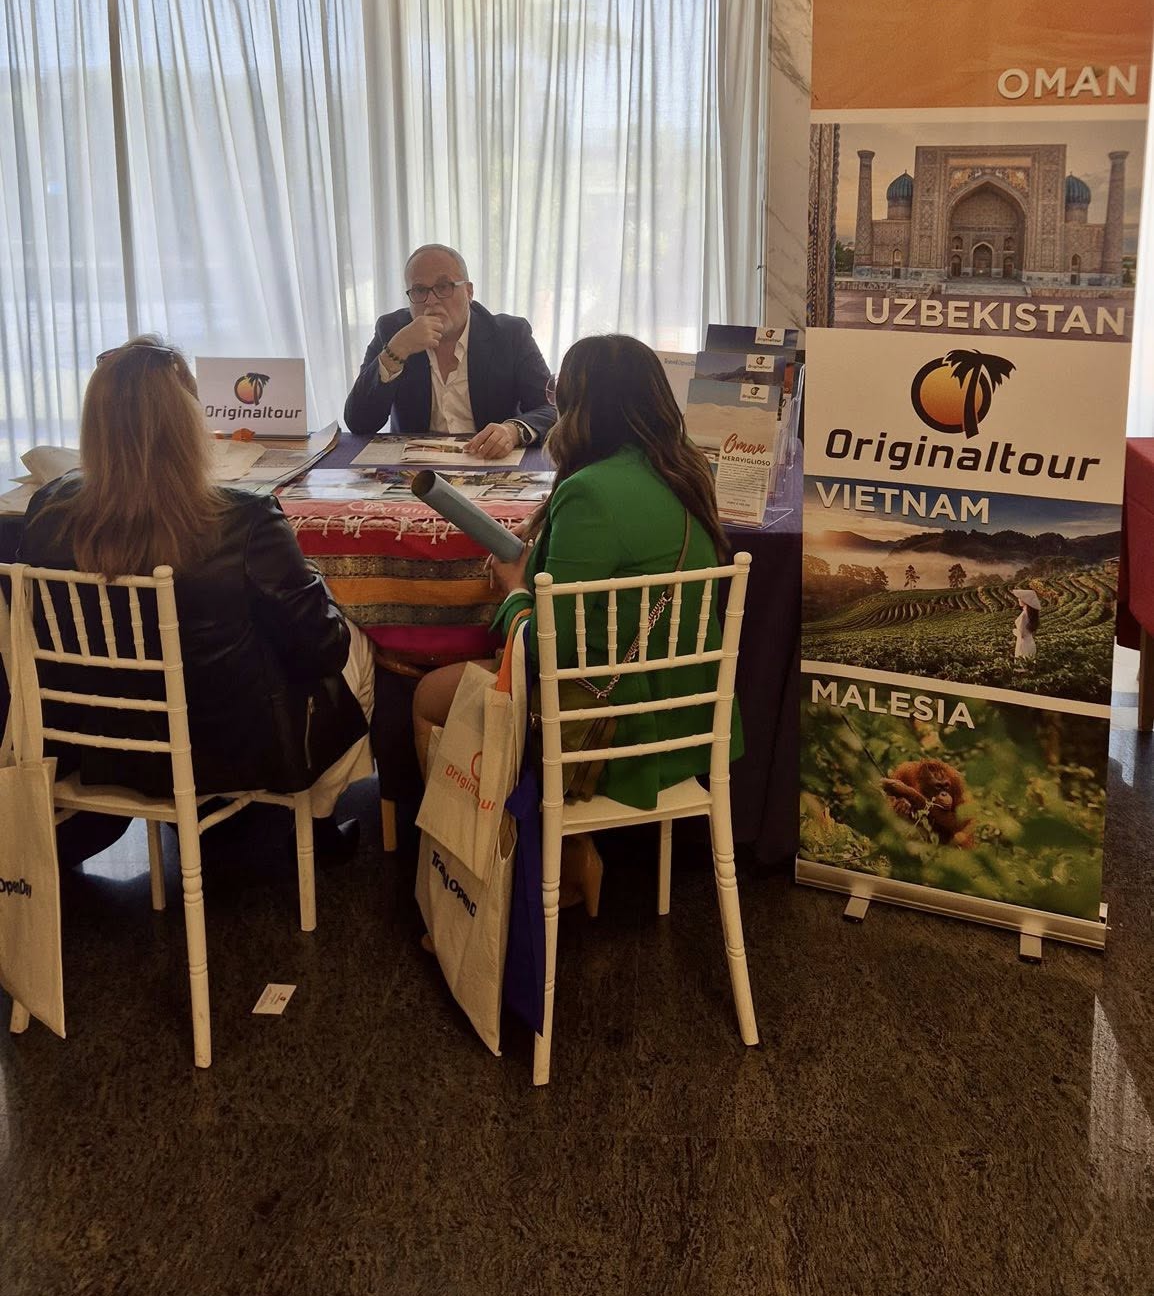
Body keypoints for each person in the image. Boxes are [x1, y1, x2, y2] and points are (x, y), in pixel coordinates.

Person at [412, 333, 740, 910]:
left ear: (580, 405)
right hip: (688, 714)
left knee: (429, 697)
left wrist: (514, 588)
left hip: (615, 730)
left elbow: (546, 653)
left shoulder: (588, 493)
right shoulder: (686, 469)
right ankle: (564, 852)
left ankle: (488, 878)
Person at [18, 337, 376, 858]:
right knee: (356, 641)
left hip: (100, 746)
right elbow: (322, 648)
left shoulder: (48, 510)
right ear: (187, 424)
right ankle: (317, 823)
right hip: (227, 748)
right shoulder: (244, 518)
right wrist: (314, 581)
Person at [343, 243, 553, 456]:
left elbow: (552, 408)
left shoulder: (510, 334)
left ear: (469, 292)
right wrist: (397, 351)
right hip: (415, 466)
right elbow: (359, 423)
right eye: (420, 290)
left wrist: (513, 431)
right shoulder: (392, 332)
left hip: (487, 458)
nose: (431, 300)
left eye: (444, 287)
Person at [1013, 587, 1041, 663]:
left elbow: (1021, 634)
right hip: (1031, 643)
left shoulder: (1024, 615)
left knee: (1022, 664)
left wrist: (1014, 631)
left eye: (1020, 598)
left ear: (1025, 601)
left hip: (1023, 644)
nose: (1018, 599)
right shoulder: (1031, 614)